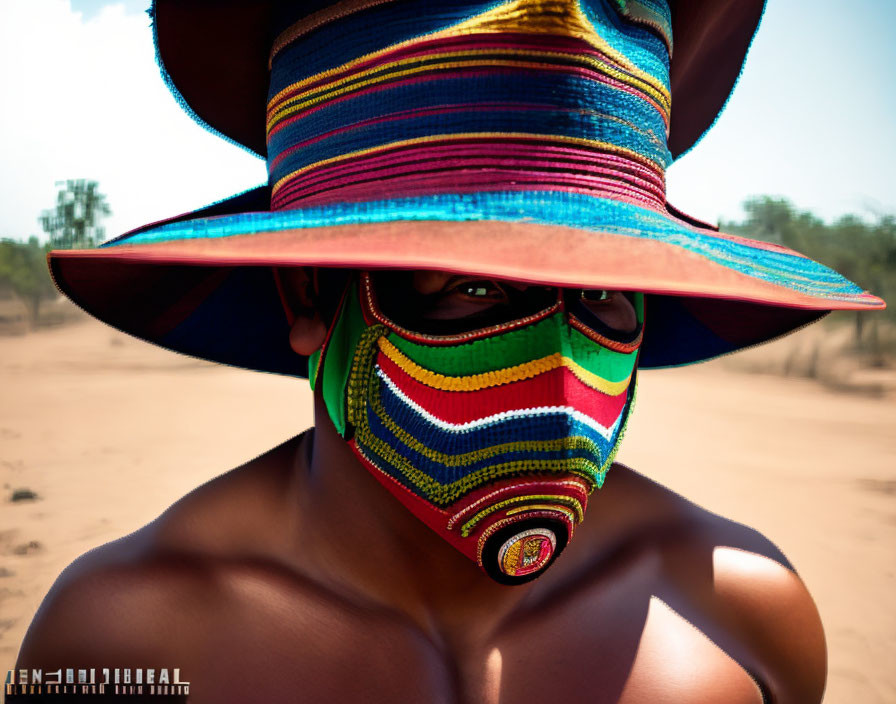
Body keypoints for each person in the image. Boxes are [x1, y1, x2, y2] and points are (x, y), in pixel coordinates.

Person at [15, 0, 884, 702]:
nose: (555, 374)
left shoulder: (745, 615)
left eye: (607, 294)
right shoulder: (122, 645)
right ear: (307, 293)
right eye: (472, 287)